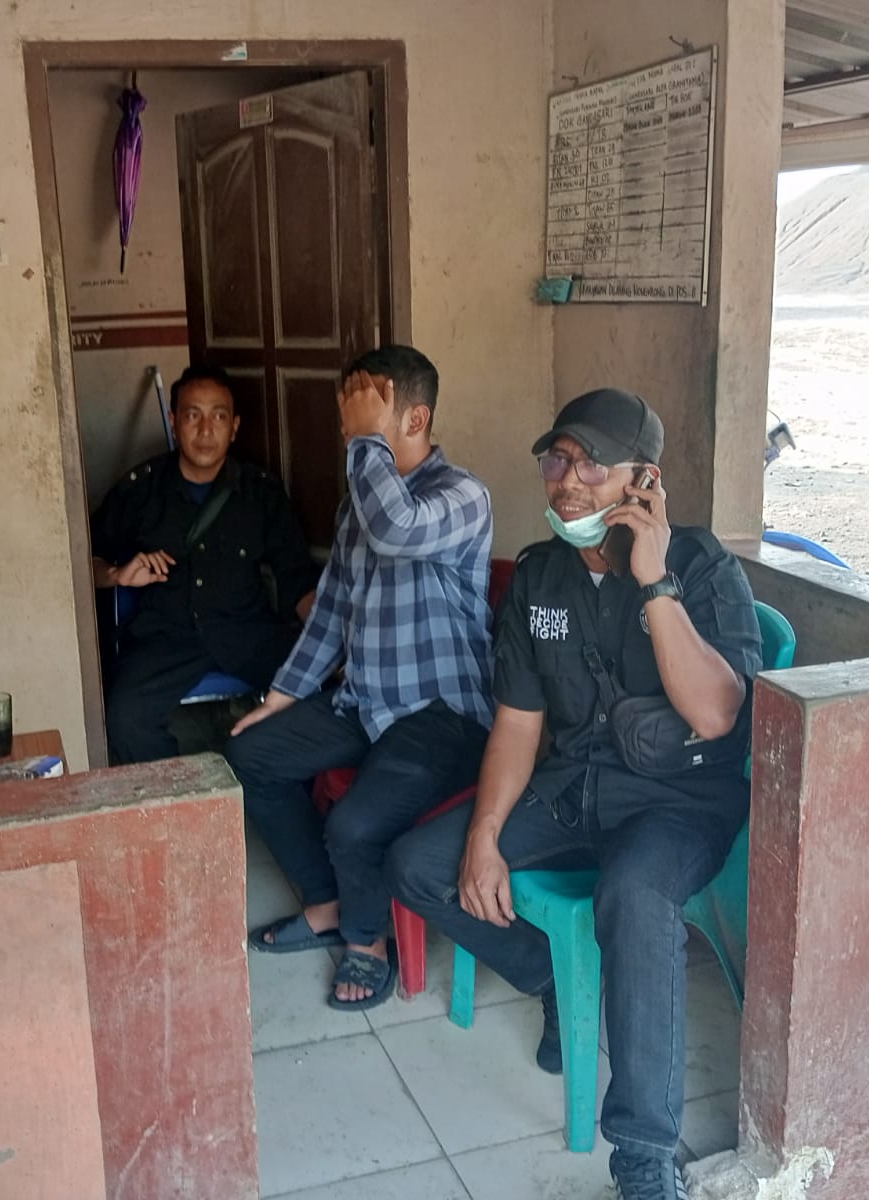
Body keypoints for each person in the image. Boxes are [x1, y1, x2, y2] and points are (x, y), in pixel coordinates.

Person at [384, 389, 763, 1200]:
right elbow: (518, 724)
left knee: (635, 892)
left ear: (644, 480)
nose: (568, 480)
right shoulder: (540, 577)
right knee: (416, 864)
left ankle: (643, 1158)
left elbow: (716, 714)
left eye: (593, 464)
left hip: (676, 802)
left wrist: (654, 582)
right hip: (571, 790)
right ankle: (553, 978)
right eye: (558, 459)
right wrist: (485, 834)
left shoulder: (701, 567)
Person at [224, 345, 494, 1011]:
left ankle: (367, 943)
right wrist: (282, 697)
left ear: (415, 419)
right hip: (367, 702)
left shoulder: (462, 496)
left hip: (441, 714)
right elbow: (331, 612)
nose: (348, 429)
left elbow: (397, 529)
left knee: (352, 825)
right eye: (348, 415)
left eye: (364, 412)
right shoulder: (358, 507)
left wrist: (367, 442)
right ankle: (327, 903)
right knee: (251, 753)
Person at [90, 364, 321, 764]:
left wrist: (330, 645)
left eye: (218, 416)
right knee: (125, 719)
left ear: (234, 427)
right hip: (165, 639)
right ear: (173, 421)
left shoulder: (261, 494)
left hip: (248, 634)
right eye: (193, 415)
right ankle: (181, 795)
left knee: (321, 695)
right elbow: (81, 563)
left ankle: (269, 786)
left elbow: (297, 580)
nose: (205, 430)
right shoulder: (140, 490)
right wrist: (116, 574)